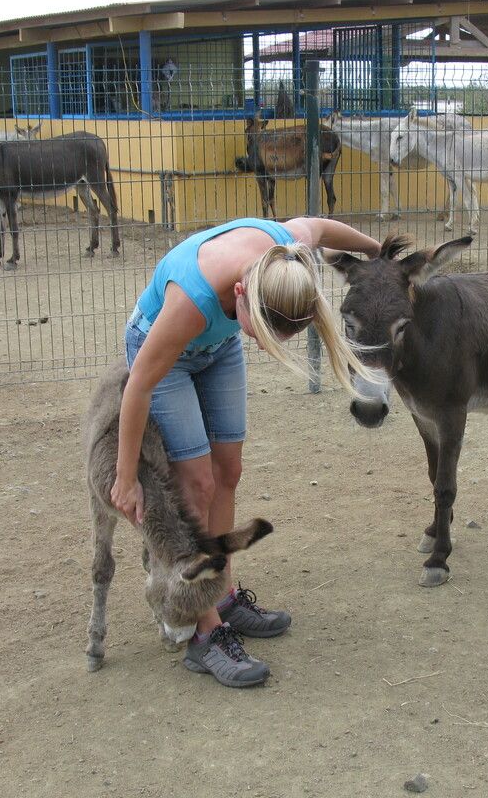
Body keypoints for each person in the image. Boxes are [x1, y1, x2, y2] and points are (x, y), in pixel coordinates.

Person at [111, 216, 381, 688]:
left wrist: (379, 253)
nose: (266, 343)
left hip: (216, 346)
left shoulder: (286, 257)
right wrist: (125, 475)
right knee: (198, 485)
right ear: (242, 293)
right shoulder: (192, 300)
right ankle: (204, 632)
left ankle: (223, 592)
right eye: (261, 330)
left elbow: (319, 226)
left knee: (229, 471)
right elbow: (138, 386)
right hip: (166, 358)